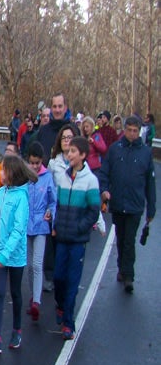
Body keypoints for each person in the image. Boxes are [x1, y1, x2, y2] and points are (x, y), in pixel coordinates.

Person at [98, 115, 156, 294]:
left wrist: (151, 208)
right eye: (129, 130)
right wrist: (105, 190)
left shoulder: (145, 153)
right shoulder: (115, 150)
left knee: (130, 239)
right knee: (121, 238)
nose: (132, 134)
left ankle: (129, 275)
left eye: (135, 131)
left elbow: (150, 182)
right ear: (125, 130)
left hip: (136, 204)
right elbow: (104, 173)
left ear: (139, 132)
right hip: (118, 202)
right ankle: (122, 267)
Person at [51, 136, 101, 339]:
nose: (69, 154)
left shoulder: (90, 181)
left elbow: (93, 210)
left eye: (73, 151)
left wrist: (80, 227)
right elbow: (58, 205)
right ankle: (61, 307)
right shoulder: (63, 177)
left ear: (82, 155)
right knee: (58, 277)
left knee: (73, 280)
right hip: (62, 237)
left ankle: (69, 324)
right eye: (68, 151)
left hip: (77, 240)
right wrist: (55, 224)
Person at [0, 154, 34, 354]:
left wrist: (6, 254)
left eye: (3, 170)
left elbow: (18, 229)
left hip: (14, 256)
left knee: (15, 292)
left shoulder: (21, 197)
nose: (1, 173)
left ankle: (16, 329)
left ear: (13, 173)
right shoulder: (1, 193)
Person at [24, 142, 57, 322]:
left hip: (41, 226)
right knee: (29, 265)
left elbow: (53, 200)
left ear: (42, 161)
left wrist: (51, 213)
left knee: (37, 263)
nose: (35, 166)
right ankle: (33, 296)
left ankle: (37, 301)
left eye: (37, 163)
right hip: (26, 225)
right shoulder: (24, 177)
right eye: (32, 163)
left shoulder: (47, 177)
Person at [34, 93, 70, 165]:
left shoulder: (73, 130)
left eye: (60, 106)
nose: (57, 110)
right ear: (51, 108)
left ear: (65, 108)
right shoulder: (43, 131)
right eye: (54, 106)